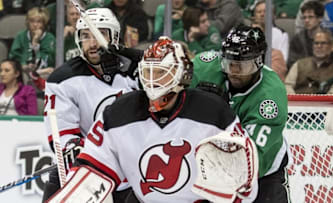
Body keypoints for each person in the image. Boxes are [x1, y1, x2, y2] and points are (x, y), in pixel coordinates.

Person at [47, 36, 259, 203]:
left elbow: (240, 183)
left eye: (161, 73)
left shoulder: (213, 112)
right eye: (148, 72)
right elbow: (92, 171)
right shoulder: (119, 112)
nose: (153, 81)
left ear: (181, 75)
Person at [41, 7, 143, 202]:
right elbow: (62, 134)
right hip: (89, 166)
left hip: (133, 166)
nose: (93, 42)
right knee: (57, 183)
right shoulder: (62, 79)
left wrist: (134, 57)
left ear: (114, 36)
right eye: (86, 36)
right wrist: (73, 147)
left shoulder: (136, 70)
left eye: (100, 33)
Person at [190, 25, 291, 202]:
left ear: (259, 62)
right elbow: (170, 85)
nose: (234, 72)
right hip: (210, 166)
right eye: (229, 64)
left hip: (262, 176)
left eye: (242, 66)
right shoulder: (206, 67)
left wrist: (220, 113)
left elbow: (250, 163)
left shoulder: (269, 99)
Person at [8, 6, 55, 97]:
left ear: (44, 23)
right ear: (28, 22)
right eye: (32, 21)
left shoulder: (50, 38)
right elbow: (13, 57)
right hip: (22, 72)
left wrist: (35, 44)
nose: (35, 25)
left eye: (39, 21)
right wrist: (23, 65)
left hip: (43, 73)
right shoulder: (21, 36)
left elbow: (49, 60)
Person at [288, 0, 333, 69]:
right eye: (304, 17)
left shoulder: (330, 36)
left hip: (328, 74)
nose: (306, 20)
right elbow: (292, 64)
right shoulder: (297, 39)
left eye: (310, 17)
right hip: (304, 75)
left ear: (320, 18)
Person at [285, 28, 333, 94]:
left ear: (332, 47)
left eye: (323, 43)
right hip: (296, 102)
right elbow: (288, 86)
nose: (319, 46)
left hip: (322, 103)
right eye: (316, 43)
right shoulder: (299, 64)